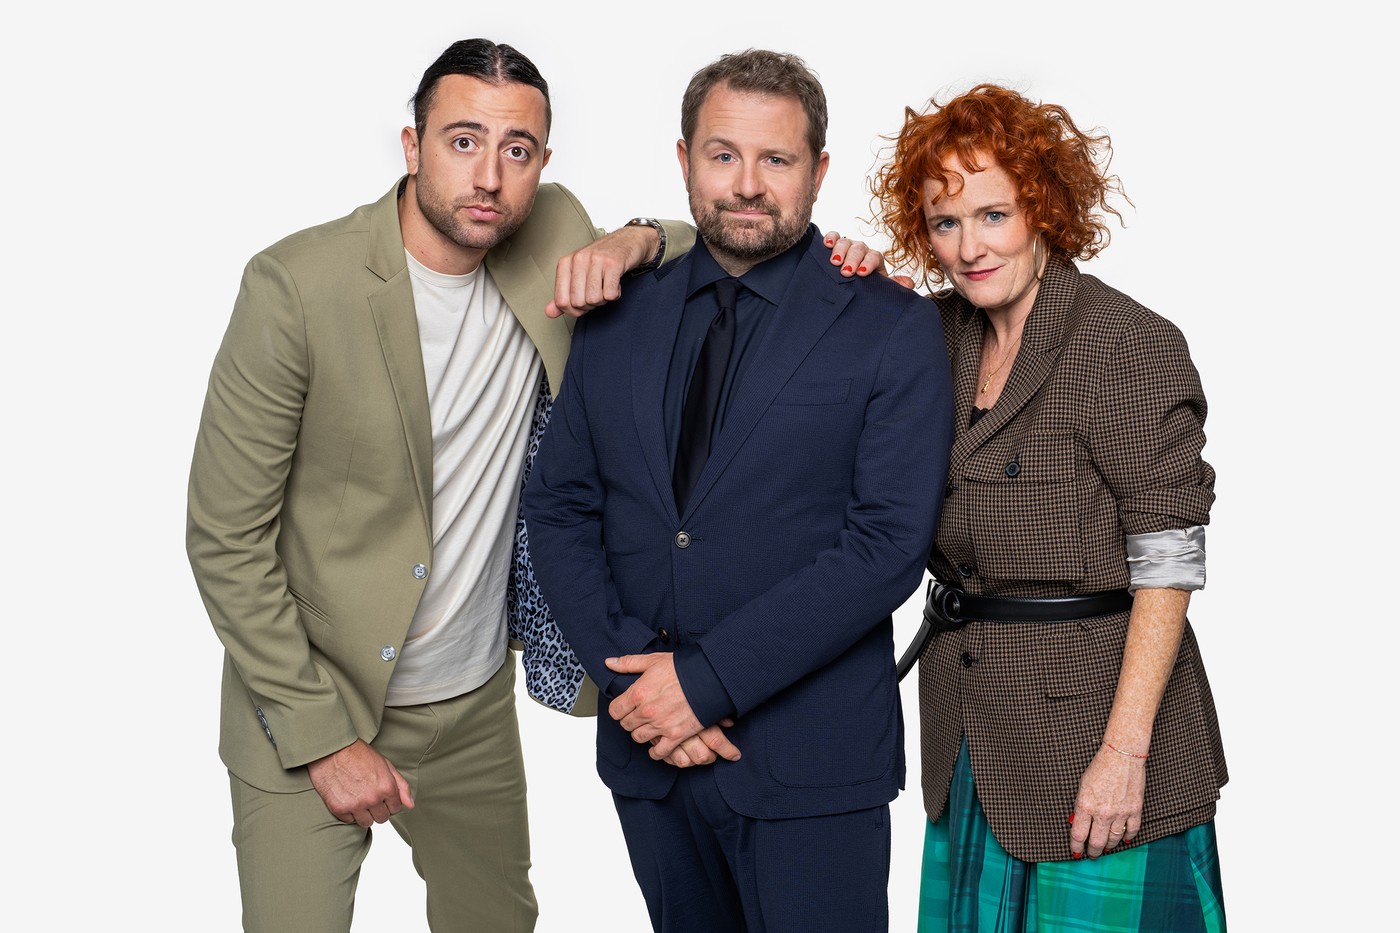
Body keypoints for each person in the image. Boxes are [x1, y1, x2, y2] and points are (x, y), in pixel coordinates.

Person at [184, 37, 882, 933]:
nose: (489, 176)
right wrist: (322, 739)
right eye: (462, 141)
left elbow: (716, 237)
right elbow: (224, 538)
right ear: (412, 146)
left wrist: (642, 239)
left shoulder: (552, 230)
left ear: (543, 163)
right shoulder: (295, 286)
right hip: (313, 698)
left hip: (471, 703)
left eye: (517, 150)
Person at [522, 49, 954, 933]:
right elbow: (560, 506)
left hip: (810, 762)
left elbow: (885, 548)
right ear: (685, 160)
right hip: (649, 754)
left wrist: (706, 681)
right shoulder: (617, 313)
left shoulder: (892, 324)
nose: (748, 185)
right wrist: (636, 685)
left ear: (818, 172)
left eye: (776, 159)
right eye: (724, 156)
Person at [872, 83, 1227, 931]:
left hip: (1101, 740)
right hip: (969, 738)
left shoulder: (1126, 343)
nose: (969, 247)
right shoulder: (931, 336)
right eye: (945, 222)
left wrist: (1124, 752)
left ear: (1043, 208)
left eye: (993, 215)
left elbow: (1170, 559)